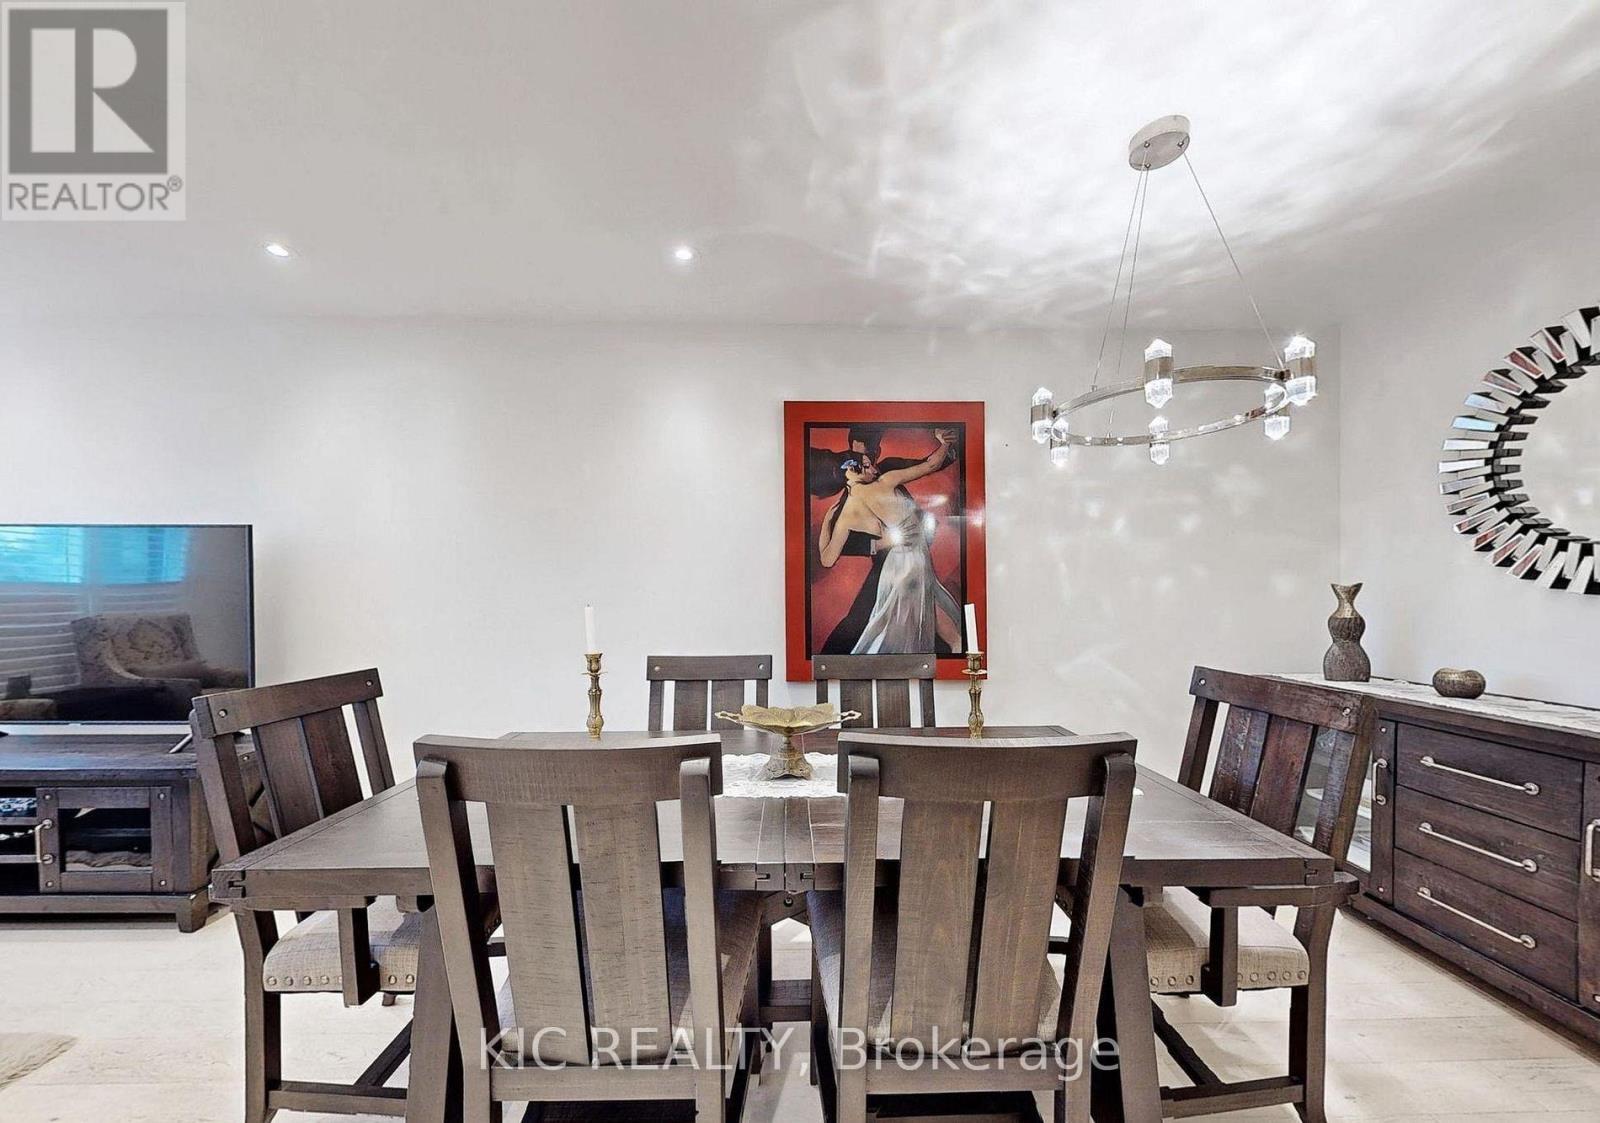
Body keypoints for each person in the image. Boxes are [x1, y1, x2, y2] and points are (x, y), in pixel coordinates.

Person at [817, 429, 964, 655]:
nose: (874, 468)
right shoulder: (884, 482)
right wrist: (943, 443)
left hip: (898, 566)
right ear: (851, 470)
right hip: (908, 564)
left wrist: (828, 522)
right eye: (866, 464)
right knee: (894, 630)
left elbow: (827, 558)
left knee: (933, 628)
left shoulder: (847, 512)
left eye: (871, 459)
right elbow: (931, 465)